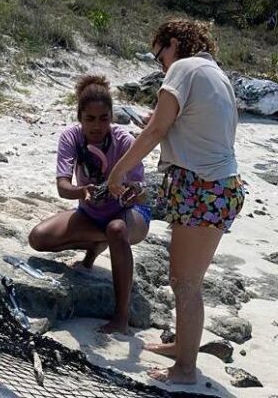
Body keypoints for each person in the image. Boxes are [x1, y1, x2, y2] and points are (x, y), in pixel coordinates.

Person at [107, 19, 246, 384]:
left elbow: (156, 130)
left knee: (186, 284)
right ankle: (181, 347)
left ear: (174, 44)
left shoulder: (184, 68)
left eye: (160, 55)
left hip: (203, 187)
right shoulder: (215, 73)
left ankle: (185, 368)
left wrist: (119, 171)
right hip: (212, 186)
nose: (161, 65)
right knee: (182, 280)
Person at [28, 75, 151, 334]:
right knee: (38, 239)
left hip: (129, 216)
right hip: (91, 212)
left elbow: (143, 193)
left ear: (112, 117)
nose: (97, 126)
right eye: (90, 119)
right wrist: (81, 191)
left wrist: (133, 191)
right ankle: (98, 243)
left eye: (104, 118)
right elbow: (63, 187)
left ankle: (121, 315)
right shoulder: (71, 138)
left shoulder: (124, 141)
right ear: (80, 117)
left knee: (116, 229)